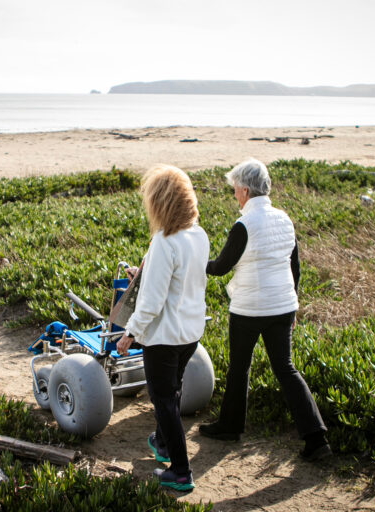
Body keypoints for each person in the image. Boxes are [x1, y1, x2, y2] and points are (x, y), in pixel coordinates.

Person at [198, 158, 331, 462]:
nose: (234, 195)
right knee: (285, 368)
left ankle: (230, 427)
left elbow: (221, 267)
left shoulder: (244, 224)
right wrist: (293, 303)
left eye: (235, 189)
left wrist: (194, 263)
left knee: (239, 368)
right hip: (283, 306)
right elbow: (294, 265)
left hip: (249, 308)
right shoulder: (284, 219)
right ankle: (317, 438)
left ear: (245, 190)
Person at [116, 164, 210, 491]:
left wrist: (130, 333)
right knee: (173, 389)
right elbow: (179, 279)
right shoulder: (198, 235)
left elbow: (152, 302)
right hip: (190, 332)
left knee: (163, 399)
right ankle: (163, 443)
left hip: (165, 336)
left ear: (160, 203)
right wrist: (141, 270)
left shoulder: (164, 241)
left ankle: (181, 473)